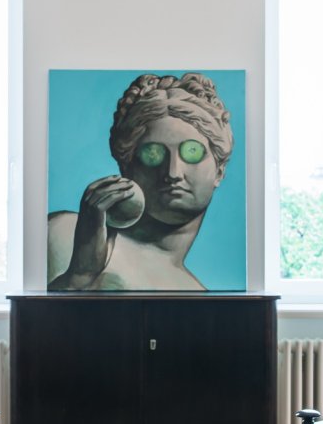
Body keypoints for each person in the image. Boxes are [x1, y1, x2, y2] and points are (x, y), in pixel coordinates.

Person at [48, 72, 234, 290]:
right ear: (127, 167)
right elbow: (40, 322)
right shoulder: (64, 232)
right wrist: (80, 275)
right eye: (153, 154)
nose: (173, 172)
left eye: (191, 152)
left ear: (219, 171)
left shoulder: (195, 291)